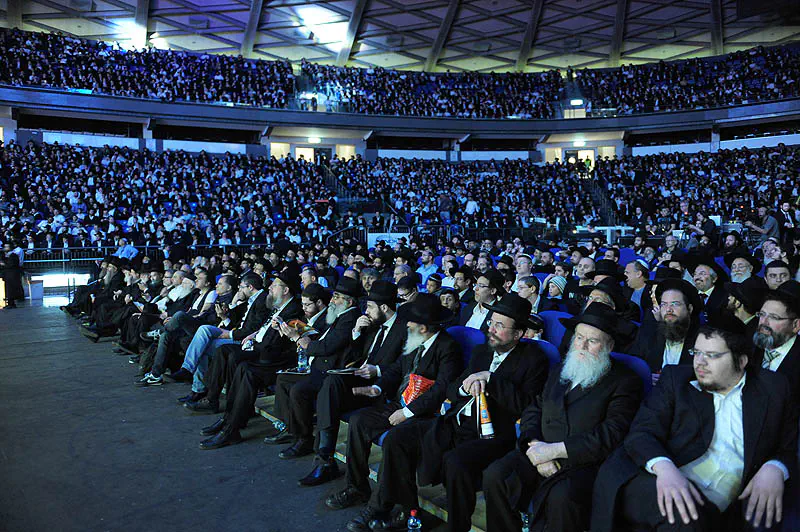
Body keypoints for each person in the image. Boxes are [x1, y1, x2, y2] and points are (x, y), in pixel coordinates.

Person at [592, 319, 798, 532]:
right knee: (683, 518)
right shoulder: (676, 380)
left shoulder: (774, 388)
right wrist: (665, 469)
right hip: (660, 475)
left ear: (741, 360)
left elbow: (788, 445)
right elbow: (642, 432)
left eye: (712, 355)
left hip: (723, 503)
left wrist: (775, 467)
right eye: (697, 352)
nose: (699, 362)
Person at [369, 293, 550, 532]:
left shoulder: (534, 360)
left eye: (499, 325)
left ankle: (458, 527)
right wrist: (465, 388)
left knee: (455, 462)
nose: (490, 329)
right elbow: (452, 389)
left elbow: (525, 405)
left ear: (518, 334)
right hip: (455, 422)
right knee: (397, 438)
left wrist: (491, 379)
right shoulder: (482, 352)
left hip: (492, 433)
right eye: (491, 322)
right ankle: (409, 510)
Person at [482, 303, 644, 532]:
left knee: (562, 496)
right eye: (579, 337)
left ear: (609, 346)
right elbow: (534, 409)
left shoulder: (625, 381)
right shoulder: (562, 368)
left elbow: (611, 434)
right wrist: (535, 446)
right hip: (539, 450)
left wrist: (554, 451)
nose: (582, 346)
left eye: (592, 341)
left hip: (582, 463)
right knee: (496, 475)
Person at [326, 294, 462, 528]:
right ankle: (356, 487)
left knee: (394, 440)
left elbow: (440, 390)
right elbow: (396, 369)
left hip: (427, 415)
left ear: (424, 327)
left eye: (411, 321)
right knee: (359, 420)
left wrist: (407, 413)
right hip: (402, 403)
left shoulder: (448, 348)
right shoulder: (415, 340)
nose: (406, 324)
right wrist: (377, 388)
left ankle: (378, 507)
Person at [296, 280, 407, 486]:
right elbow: (356, 357)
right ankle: (325, 458)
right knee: (331, 383)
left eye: (370, 307)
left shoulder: (403, 329)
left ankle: (325, 460)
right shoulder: (372, 325)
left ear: (384, 308)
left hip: (379, 388)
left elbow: (403, 365)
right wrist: (356, 332)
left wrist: (378, 370)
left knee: (329, 393)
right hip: (359, 379)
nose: (366, 311)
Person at [267, 277, 361, 459]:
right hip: (319, 366)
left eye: (337, 297)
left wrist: (299, 340)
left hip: (331, 372)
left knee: (299, 390)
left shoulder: (350, 318)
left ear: (349, 302)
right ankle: (292, 430)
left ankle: (304, 439)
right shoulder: (341, 314)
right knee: (284, 379)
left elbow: (328, 347)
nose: (332, 300)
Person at [174, 272, 269, 403]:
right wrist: (234, 303)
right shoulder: (251, 299)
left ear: (250, 287)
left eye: (241, 287)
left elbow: (252, 329)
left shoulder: (262, 300)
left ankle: (198, 389)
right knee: (204, 330)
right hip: (234, 333)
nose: (239, 290)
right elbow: (235, 322)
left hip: (244, 340)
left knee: (202, 347)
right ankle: (187, 370)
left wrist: (230, 334)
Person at [630, 279, 701, 382]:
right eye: (663, 304)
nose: (668, 310)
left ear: (689, 309)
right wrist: (646, 376)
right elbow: (633, 363)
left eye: (675, 304)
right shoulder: (649, 332)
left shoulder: (703, 339)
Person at [752, 280, 800, 394]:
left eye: (774, 317)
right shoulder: (750, 349)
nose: (764, 322)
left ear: (795, 325)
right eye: (762, 314)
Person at [1, 242, 24, 308]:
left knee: (11, 289)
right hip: (8, 274)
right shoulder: (6, 256)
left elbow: (12, 265)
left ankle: (11, 303)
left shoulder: (13, 255)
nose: (5, 248)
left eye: (7, 247)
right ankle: (10, 303)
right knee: (8, 289)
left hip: (12, 275)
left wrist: (4, 264)